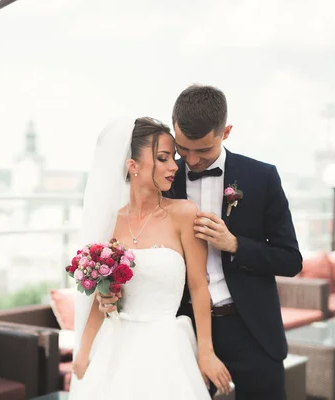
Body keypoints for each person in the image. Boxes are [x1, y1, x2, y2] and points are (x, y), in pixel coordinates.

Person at [146, 84, 301, 399]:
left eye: (202, 151)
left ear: (226, 132)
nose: (190, 160)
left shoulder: (262, 177)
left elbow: (290, 259)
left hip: (252, 331)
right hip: (183, 330)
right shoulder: (161, 180)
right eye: (182, 148)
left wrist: (234, 244)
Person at [69, 117, 232, 399]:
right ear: (133, 166)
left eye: (173, 158)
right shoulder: (112, 222)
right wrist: (83, 350)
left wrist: (206, 350)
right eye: (163, 158)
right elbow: (101, 292)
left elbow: (198, 286)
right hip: (116, 347)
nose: (174, 166)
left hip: (166, 350)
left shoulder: (184, 213)